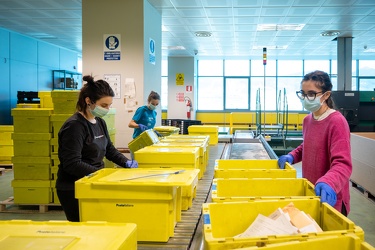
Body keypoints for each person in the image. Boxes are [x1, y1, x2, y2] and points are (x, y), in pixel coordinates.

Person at [56, 75, 138, 222]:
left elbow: (109, 149)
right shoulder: (74, 126)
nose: (107, 109)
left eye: (109, 105)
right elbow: (72, 163)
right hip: (74, 188)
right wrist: (102, 174)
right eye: (104, 105)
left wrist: (125, 162)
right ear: (89, 101)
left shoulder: (99, 122)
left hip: (94, 182)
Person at [278, 70, 352, 216]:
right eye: (303, 94)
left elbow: (343, 163)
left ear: (326, 95)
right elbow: (307, 145)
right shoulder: (308, 119)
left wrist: (329, 182)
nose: (306, 98)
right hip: (310, 190)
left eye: (311, 94)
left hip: (329, 195)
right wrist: (292, 156)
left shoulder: (336, 122)